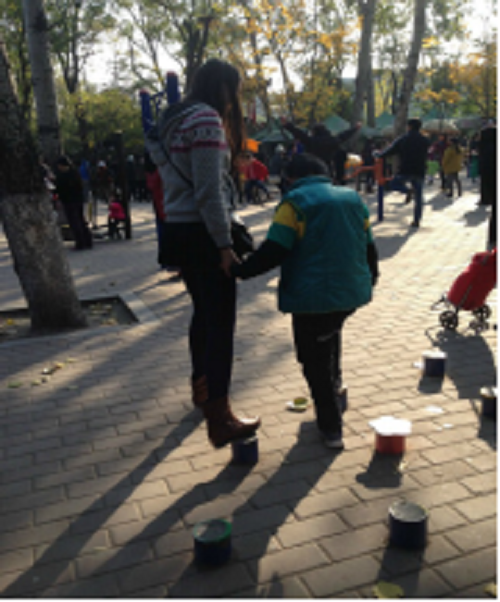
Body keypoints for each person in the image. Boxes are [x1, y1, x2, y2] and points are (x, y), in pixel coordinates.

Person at [145, 58, 260, 449]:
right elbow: (209, 192)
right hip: (205, 234)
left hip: (178, 230)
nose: (233, 102)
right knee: (221, 326)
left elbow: (170, 171)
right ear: (224, 88)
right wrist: (225, 246)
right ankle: (220, 419)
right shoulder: (206, 120)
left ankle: (202, 390)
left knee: (203, 315)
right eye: (235, 92)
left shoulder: (171, 120)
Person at [231, 153, 379, 450]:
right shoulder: (353, 198)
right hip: (351, 292)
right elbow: (369, 245)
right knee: (331, 336)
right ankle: (338, 394)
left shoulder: (294, 204)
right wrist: (370, 278)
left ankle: (331, 427)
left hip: (312, 297)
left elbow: (275, 249)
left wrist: (240, 271)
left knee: (313, 360)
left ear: (291, 178)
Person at [376, 118, 430, 228]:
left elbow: (390, 151)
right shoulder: (425, 140)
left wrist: (378, 155)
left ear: (409, 127)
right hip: (419, 170)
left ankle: (407, 190)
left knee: (393, 184)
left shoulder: (403, 139)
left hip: (405, 169)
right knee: (419, 198)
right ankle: (416, 220)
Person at [283, 121, 361, 179]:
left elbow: (299, 134)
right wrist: (355, 129)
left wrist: (288, 125)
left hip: (312, 170)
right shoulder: (332, 141)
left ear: (314, 131)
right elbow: (344, 136)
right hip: (327, 168)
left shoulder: (311, 141)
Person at [54, 155, 93, 250]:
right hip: (78, 199)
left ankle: (80, 242)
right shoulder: (75, 173)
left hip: (69, 200)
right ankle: (87, 240)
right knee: (80, 219)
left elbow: (60, 188)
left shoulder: (63, 176)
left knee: (74, 221)